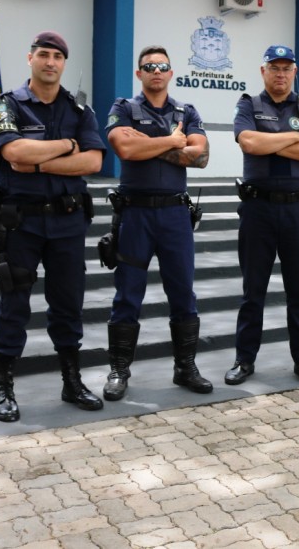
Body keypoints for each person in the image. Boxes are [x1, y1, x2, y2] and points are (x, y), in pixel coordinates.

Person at [0, 31, 105, 422]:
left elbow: (93, 164)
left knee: (68, 303)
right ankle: (3, 388)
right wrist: (69, 146)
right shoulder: (5, 105)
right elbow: (12, 151)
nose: (50, 62)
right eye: (43, 54)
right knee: (14, 305)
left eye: (57, 56)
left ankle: (71, 382)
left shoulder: (80, 111)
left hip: (68, 221)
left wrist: (39, 160)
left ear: (64, 63)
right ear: (30, 58)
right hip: (20, 222)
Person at [101, 46, 212, 400]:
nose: (156, 71)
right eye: (149, 66)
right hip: (135, 216)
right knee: (127, 295)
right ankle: (119, 370)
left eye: (162, 65)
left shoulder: (186, 111)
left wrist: (147, 142)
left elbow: (201, 156)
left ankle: (186, 367)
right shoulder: (124, 108)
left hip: (175, 217)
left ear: (171, 71)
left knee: (183, 293)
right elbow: (125, 149)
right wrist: (172, 141)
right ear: (139, 74)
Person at [225, 44, 299, 387]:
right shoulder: (248, 104)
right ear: (263, 71)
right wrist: (293, 137)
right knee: (252, 292)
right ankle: (244, 361)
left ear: (295, 72)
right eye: (274, 67)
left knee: (298, 293)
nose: (281, 74)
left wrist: (270, 138)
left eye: (287, 68)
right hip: (258, 209)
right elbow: (249, 144)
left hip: (298, 211)